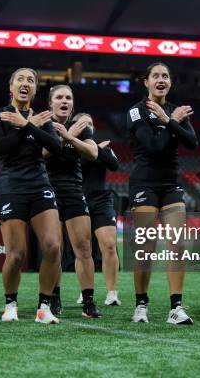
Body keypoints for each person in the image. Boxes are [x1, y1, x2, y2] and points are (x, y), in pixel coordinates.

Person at [0, 67, 63, 324]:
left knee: (52, 246)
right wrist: (26, 127)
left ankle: (44, 306)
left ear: (35, 89)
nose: (25, 83)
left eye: (31, 80)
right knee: (16, 254)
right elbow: (0, 149)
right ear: (11, 87)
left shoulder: (41, 117)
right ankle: (10, 303)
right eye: (20, 78)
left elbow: (55, 146)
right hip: (11, 186)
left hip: (39, 184)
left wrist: (28, 123)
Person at [126, 63, 197, 324]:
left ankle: (175, 308)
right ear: (146, 81)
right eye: (155, 75)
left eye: (165, 76)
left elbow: (193, 142)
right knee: (146, 246)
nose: (161, 79)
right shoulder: (136, 111)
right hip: (144, 183)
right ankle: (141, 305)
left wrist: (170, 120)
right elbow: (154, 146)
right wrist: (172, 124)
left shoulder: (174, 112)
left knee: (177, 245)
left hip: (171, 185)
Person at [44, 85, 101, 318]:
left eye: (68, 97)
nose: (64, 101)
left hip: (74, 191)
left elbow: (93, 153)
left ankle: (88, 301)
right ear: (50, 103)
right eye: (59, 97)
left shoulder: (80, 127)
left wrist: (70, 137)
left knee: (84, 248)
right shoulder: (42, 124)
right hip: (49, 192)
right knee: (55, 250)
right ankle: (54, 298)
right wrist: (64, 138)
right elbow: (42, 152)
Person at [75, 112, 121, 306]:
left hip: (102, 200)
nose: (88, 126)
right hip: (79, 200)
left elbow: (114, 164)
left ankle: (112, 292)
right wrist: (92, 150)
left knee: (109, 244)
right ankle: (86, 291)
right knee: (84, 250)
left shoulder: (103, 148)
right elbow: (81, 163)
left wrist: (98, 149)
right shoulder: (70, 147)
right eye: (84, 123)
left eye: (91, 123)